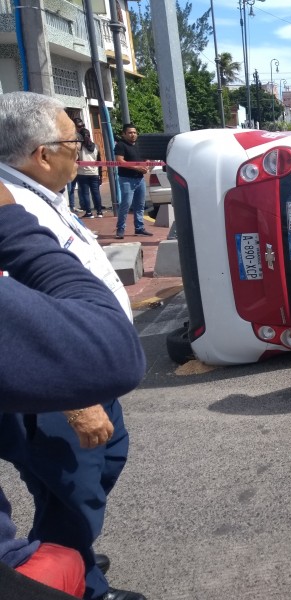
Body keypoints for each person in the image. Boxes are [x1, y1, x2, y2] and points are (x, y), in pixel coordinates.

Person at [0, 92, 146, 600]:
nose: (82, 152)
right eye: (74, 142)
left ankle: (66, 551)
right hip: (60, 387)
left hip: (82, 374)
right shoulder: (11, 208)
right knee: (74, 491)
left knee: (103, 465)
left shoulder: (33, 194)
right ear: (42, 153)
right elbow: (21, 323)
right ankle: (80, 584)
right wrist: (75, 398)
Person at [113, 124, 152, 239]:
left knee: (140, 205)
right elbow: (120, 161)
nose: (133, 135)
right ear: (124, 134)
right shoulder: (121, 145)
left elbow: (146, 158)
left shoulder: (139, 144)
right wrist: (136, 167)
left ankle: (139, 228)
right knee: (126, 204)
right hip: (126, 180)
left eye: (134, 132)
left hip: (140, 179)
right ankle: (120, 229)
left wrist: (146, 166)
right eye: (130, 133)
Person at [77, 129, 103, 219]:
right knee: (96, 193)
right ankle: (99, 212)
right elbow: (99, 161)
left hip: (82, 173)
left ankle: (89, 212)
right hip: (94, 173)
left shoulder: (79, 147)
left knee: (85, 193)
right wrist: (101, 176)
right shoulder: (96, 146)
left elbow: (76, 159)